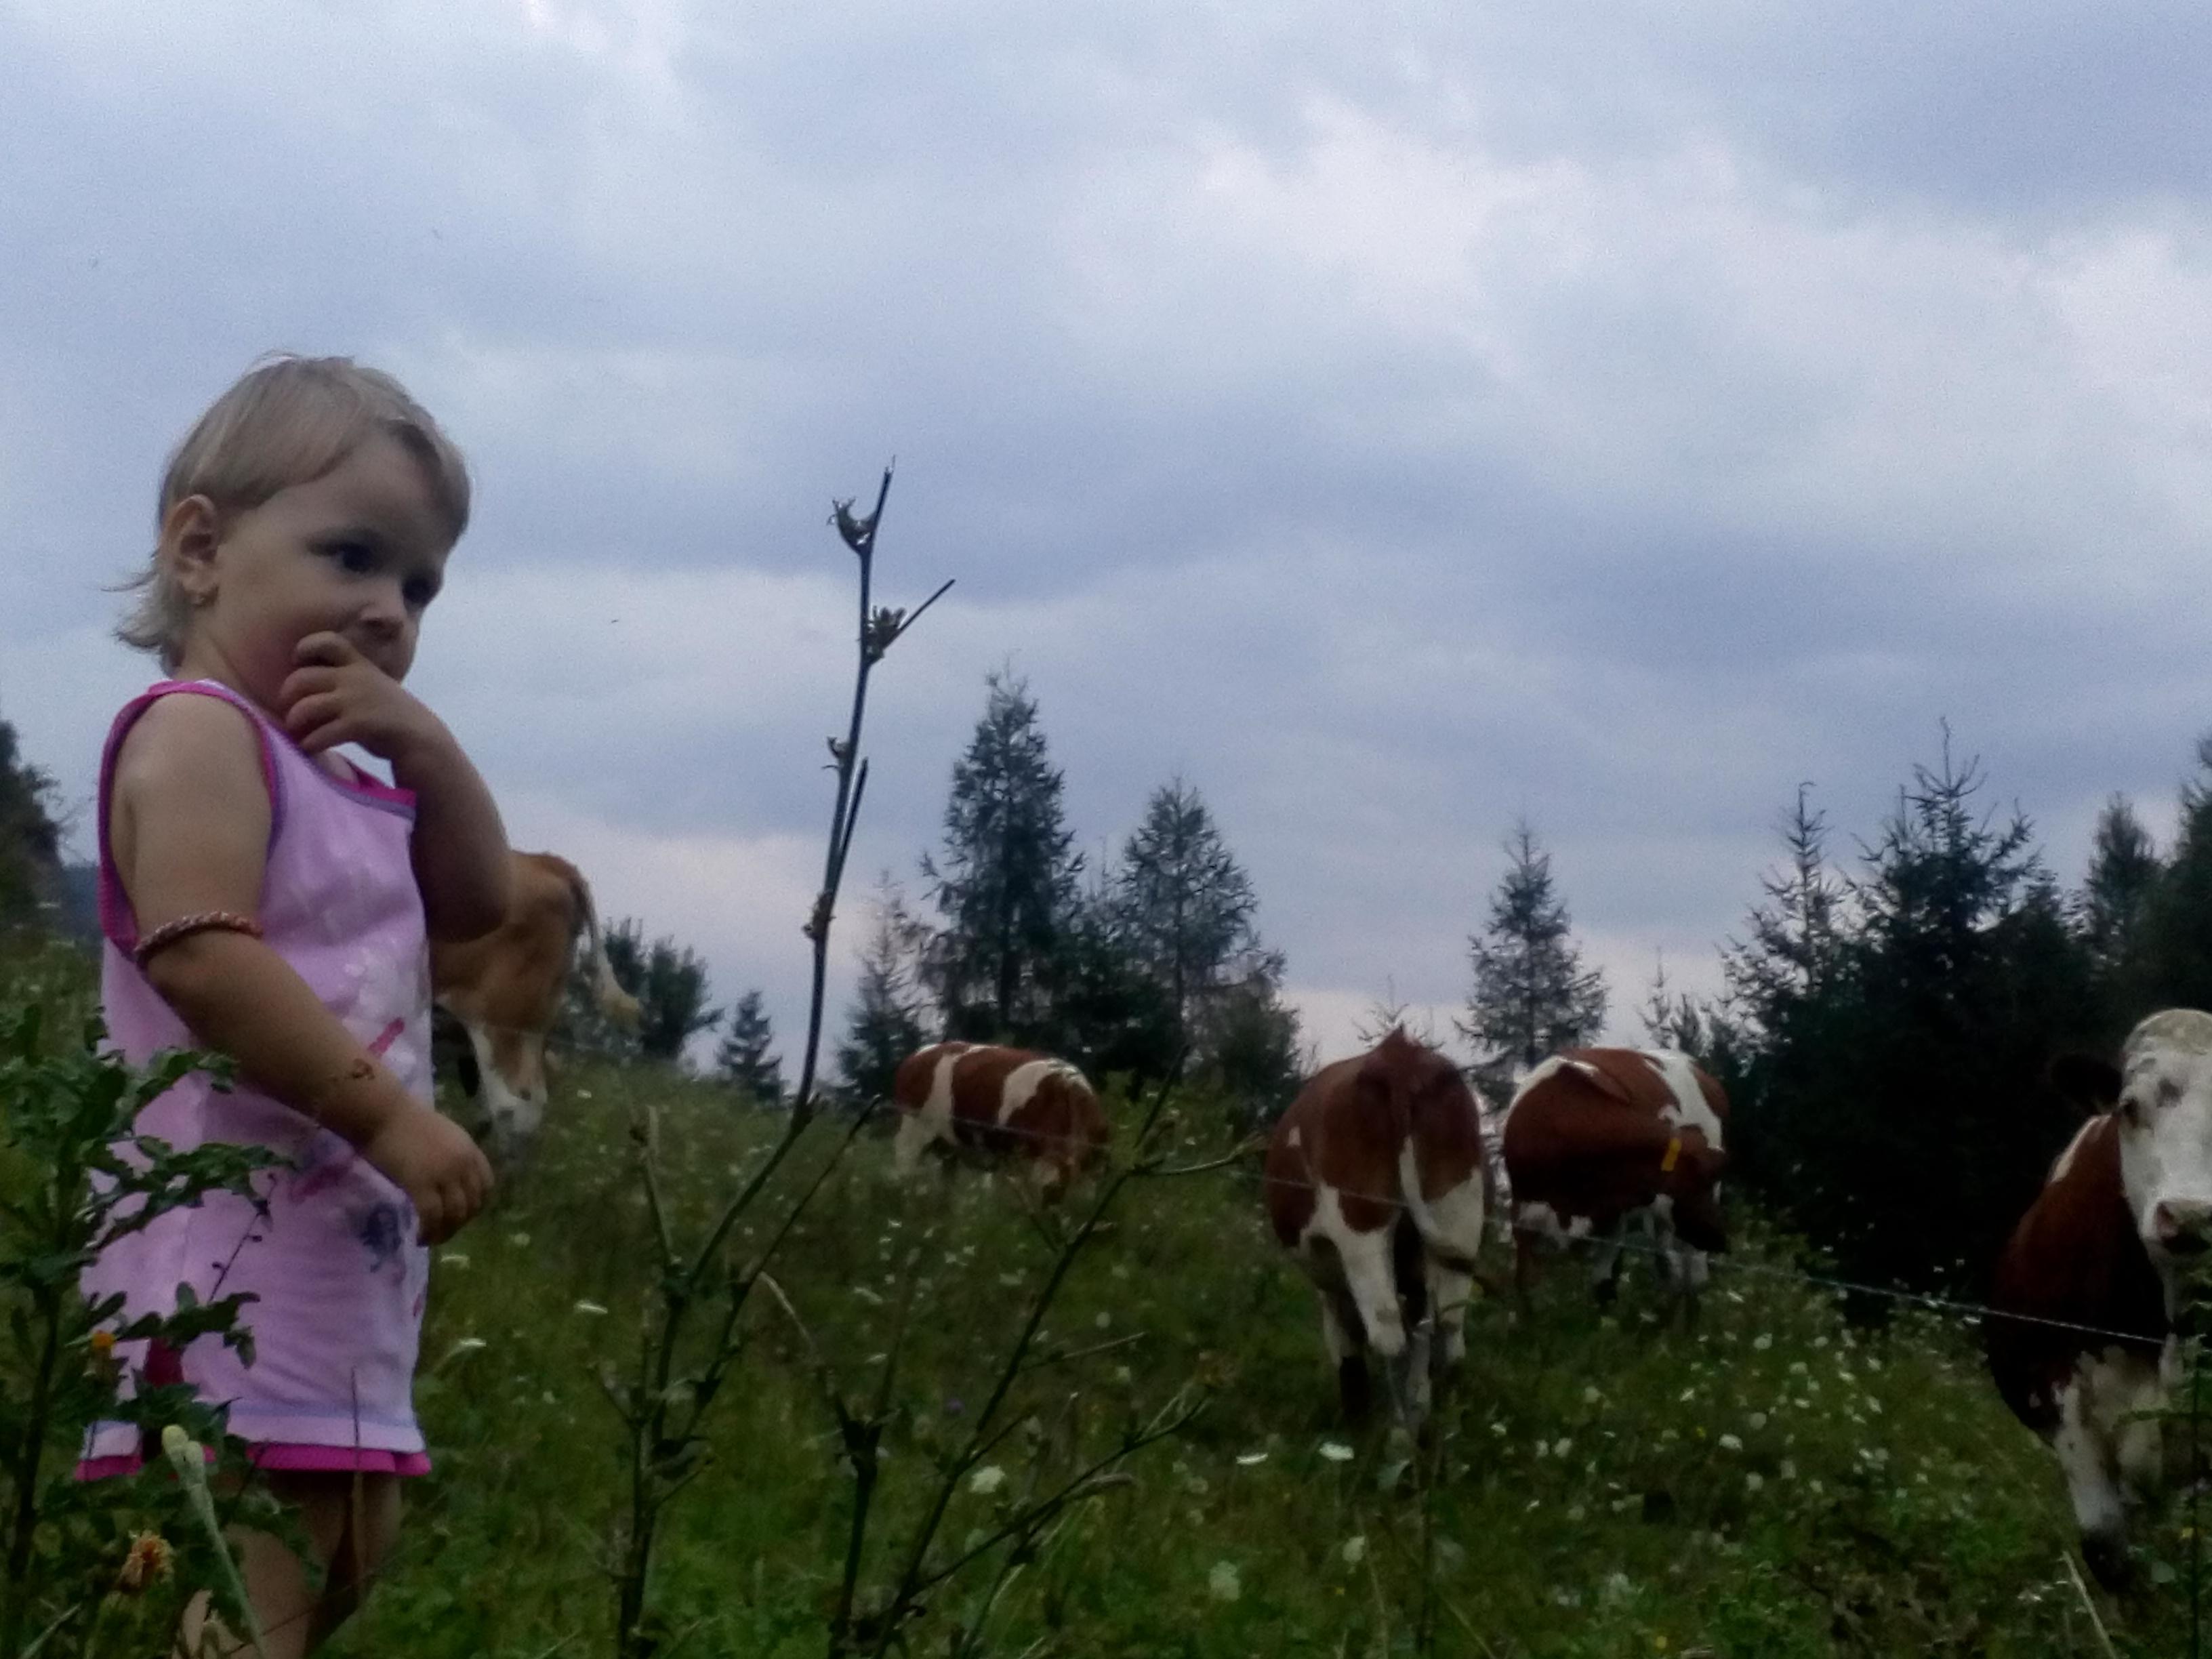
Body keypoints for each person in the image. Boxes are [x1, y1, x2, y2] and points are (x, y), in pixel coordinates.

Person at [81, 355, 506, 1656]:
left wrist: (426, 745)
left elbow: (478, 902)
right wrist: (389, 1121)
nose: (387, 610)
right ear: (201, 551)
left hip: (336, 1255)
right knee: (258, 1572)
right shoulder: (198, 733)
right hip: (229, 1252)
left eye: (418, 586)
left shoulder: (344, 778)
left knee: (345, 1546)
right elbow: (202, 954)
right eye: (352, 556)